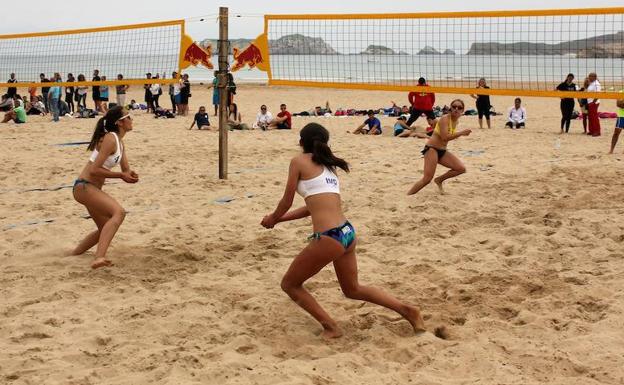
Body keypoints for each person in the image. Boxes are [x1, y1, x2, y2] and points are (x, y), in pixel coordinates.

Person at [260, 123, 425, 338]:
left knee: (290, 284)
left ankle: (331, 327)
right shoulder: (329, 167)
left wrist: (273, 217)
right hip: (347, 232)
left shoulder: (298, 161)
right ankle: (408, 311)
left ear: (301, 141)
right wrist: (278, 221)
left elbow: (286, 200)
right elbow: (311, 208)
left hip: (329, 238)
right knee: (352, 289)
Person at [70, 106, 138, 269]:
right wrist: (121, 176)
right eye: (129, 117)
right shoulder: (110, 138)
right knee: (119, 213)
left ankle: (72, 255)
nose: (132, 120)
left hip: (91, 189)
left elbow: (125, 170)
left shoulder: (119, 142)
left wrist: (130, 174)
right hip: (84, 187)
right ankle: (99, 257)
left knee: (103, 229)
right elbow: (94, 170)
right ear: (120, 123)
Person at [408, 99, 471, 195]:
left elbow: (445, 137)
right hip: (432, 149)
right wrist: (461, 133)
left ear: (462, 111)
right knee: (427, 179)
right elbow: (445, 137)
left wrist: (459, 134)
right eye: (454, 107)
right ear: (450, 108)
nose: (456, 109)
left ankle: (439, 180)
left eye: (459, 108)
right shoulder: (445, 118)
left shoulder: (456, 121)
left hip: (442, 150)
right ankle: (408, 195)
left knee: (461, 169)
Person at [586, 72, 601, 136]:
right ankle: (591, 130)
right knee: (590, 117)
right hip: (589, 102)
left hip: (594, 102)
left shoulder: (596, 84)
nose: (589, 77)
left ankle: (597, 131)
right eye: (589, 76)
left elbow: (598, 94)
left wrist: (593, 102)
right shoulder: (591, 83)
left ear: (595, 77)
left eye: (591, 76)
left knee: (594, 117)